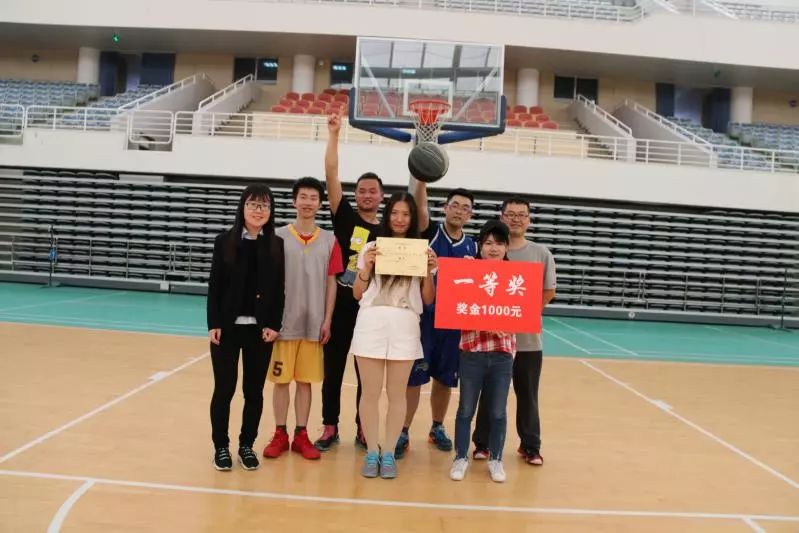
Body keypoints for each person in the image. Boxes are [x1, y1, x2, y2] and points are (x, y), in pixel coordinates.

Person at [351, 192, 437, 479]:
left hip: (405, 325)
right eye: (395, 213)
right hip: (371, 323)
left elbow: (428, 299)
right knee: (370, 393)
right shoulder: (371, 247)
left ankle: (388, 452)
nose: (400, 219)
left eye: (406, 214)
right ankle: (371, 451)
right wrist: (366, 268)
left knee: (397, 393)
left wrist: (428, 272)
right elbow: (357, 293)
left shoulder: (422, 252)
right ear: (387, 215)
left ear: (413, 219)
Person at [315, 112, 384, 451]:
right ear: (355, 195)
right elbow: (331, 172)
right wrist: (333, 135)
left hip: (370, 306)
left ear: (382, 196)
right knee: (333, 369)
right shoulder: (344, 216)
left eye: (373, 191)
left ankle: (363, 427)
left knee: (365, 374)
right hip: (341, 302)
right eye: (362, 191)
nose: (367, 195)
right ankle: (330, 426)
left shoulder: (388, 231)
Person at [262, 177, 343, 461]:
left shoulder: (330, 240)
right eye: (303, 197)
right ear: (294, 201)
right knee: (281, 381)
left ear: (320, 203)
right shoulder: (278, 237)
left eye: (313, 198)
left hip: (314, 323)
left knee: (306, 382)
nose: (308, 202)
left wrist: (327, 319)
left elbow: (332, 282)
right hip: (283, 323)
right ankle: (279, 433)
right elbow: (267, 282)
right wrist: (268, 319)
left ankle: (301, 434)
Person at [472, 196, 557, 466]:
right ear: (502, 217)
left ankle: (530, 445)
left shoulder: (541, 253)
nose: (516, 219)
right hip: (491, 341)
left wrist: (522, 316)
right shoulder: (489, 252)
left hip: (527, 341)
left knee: (527, 394)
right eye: (511, 214)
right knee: (489, 393)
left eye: (522, 215)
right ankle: (482, 443)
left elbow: (548, 291)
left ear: (529, 220)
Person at [207, 184, 285, 471]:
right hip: (227, 330)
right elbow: (215, 286)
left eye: (264, 205)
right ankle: (221, 447)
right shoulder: (224, 241)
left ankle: (246, 445)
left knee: (254, 392)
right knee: (224, 390)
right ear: (242, 207)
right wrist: (214, 323)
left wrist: (274, 324)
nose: (258, 210)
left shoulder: (276, 245)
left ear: (270, 211)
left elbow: (278, 290)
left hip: (260, 333)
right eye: (253, 204)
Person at [398, 183, 477, 458]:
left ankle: (437, 427)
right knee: (413, 379)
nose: (459, 211)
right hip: (424, 321)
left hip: (454, 324)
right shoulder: (431, 232)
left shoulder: (474, 246)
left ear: (470, 214)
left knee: (444, 380)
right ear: (445, 208)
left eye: (465, 208)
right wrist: (422, 177)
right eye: (454, 205)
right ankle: (403, 431)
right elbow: (421, 206)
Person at [450, 220, 515, 483]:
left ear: (507, 247)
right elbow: (455, 308)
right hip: (472, 353)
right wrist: (483, 322)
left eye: (499, 243)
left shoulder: (517, 278)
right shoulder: (468, 271)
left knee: (498, 412)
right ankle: (460, 457)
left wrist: (506, 325)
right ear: (480, 246)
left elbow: (522, 315)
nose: (493, 248)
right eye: (488, 243)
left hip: (502, 355)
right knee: (466, 410)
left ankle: (496, 459)